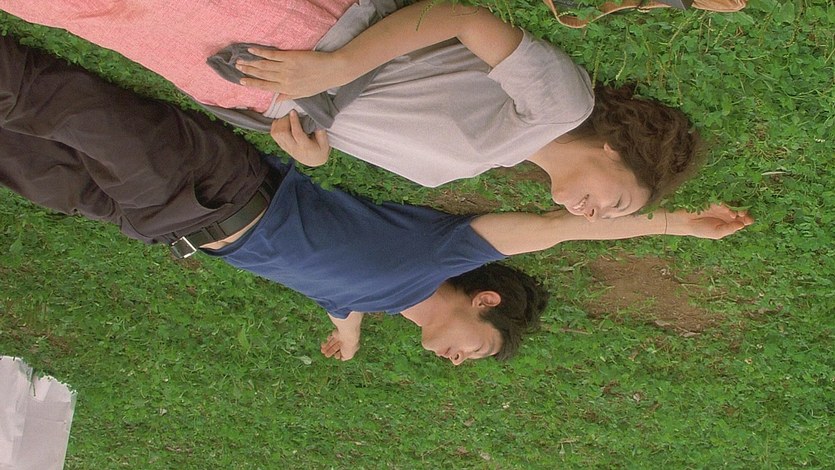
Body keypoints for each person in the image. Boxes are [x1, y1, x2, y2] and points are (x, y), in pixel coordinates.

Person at [0, 36, 751, 365]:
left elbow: (339, 295)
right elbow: (563, 232)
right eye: (478, 348)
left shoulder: (377, 300)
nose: (458, 360)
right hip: (214, 186)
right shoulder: (443, 253)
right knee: (52, 103)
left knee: (21, 163)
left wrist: (350, 336)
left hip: (156, 223)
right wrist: (678, 224)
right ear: (485, 300)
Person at [2, 0, 699, 220]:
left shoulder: (499, 160)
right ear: (615, 152)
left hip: (257, 83)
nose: (595, 214)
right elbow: (461, 18)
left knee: (82, 12)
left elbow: (369, 123)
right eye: (617, 201)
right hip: (304, 36)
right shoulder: (562, 106)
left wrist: (315, 150)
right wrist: (338, 67)